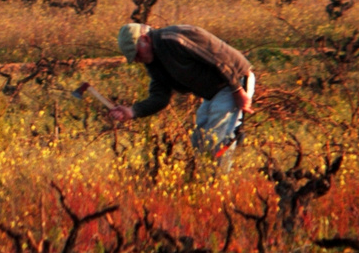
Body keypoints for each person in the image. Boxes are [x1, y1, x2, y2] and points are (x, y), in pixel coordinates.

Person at [108, 22, 255, 169]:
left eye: (136, 54)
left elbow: (218, 57)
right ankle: (209, 179)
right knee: (199, 139)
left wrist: (237, 90)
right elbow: (160, 97)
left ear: (145, 40)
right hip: (214, 93)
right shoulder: (153, 62)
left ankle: (220, 181)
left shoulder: (175, 38)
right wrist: (132, 111)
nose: (136, 60)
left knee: (214, 139)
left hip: (234, 80)